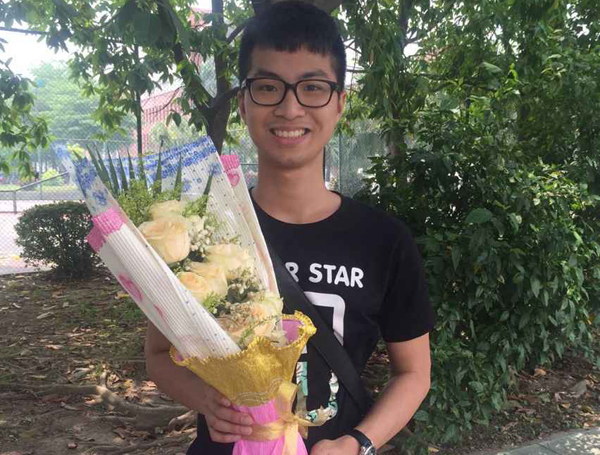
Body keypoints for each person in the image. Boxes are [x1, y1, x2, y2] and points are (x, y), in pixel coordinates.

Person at [145, 2, 435, 454]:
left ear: (340, 103)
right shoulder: (201, 232)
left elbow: (414, 373)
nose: (290, 107)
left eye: (313, 87)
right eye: (268, 87)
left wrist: (358, 443)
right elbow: (158, 355)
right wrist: (206, 400)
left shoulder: (384, 241)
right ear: (244, 103)